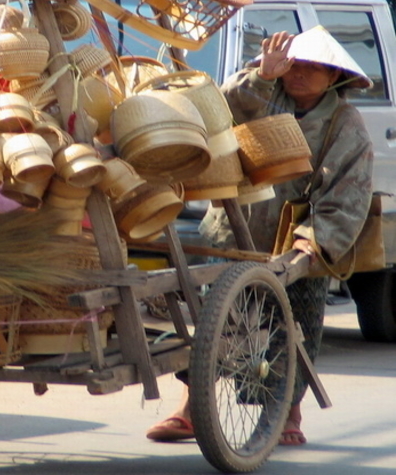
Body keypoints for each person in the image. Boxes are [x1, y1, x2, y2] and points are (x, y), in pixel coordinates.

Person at [145, 25, 374, 446]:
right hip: (234, 228)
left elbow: (349, 191)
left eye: (312, 68)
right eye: (294, 65)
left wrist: (313, 241)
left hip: (296, 239)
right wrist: (263, 75)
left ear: (333, 77)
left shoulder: (345, 122)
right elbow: (217, 110)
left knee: (294, 327)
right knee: (214, 322)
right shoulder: (262, 94)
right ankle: (190, 408)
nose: (300, 73)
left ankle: (288, 410)